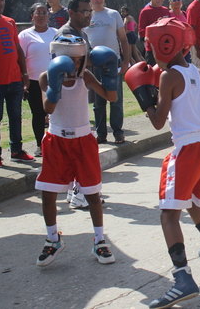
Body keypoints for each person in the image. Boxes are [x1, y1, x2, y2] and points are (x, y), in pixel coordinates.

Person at [124, 17, 200, 308]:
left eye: (153, 46)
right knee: (192, 200)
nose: (152, 52)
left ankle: (182, 278)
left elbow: (157, 123)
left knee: (169, 213)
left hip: (187, 148)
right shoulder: (197, 71)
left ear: (163, 45)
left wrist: (145, 98)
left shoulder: (168, 77)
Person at [34, 34, 118, 267]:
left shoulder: (86, 76)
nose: (76, 64)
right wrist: (55, 86)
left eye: (80, 59)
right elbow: (48, 108)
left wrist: (111, 74)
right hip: (56, 140)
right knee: (48, 193)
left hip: (83, 140)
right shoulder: (45, 77)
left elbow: (111, 97)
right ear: (58, 56)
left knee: (92, 194)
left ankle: (100, 240)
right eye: (72, 59)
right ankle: (52, 239)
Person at [0, 0, 34, 168]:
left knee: (16, 116)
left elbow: (18, 49)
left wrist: (24, 73)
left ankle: (17, 150)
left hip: (14, 79)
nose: (0, 3)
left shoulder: (10, 22)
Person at [55, 0, 94, 209]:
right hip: (66, 98)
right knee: (77, 148)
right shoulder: (66, 35)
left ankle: (76, 192)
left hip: (78, 95)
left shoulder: (82, 33)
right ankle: (79, 193)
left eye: (89, 11)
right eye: (84, 11)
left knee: (79, 146)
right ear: (71, 12)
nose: (88, 15)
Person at [84, 0, 131, 144]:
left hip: (114, 62)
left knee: (116, 100)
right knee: (98, 101)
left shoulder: (113, 14)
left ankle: (118, 132)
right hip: (95, 63)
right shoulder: (86, 17)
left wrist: (125, 61)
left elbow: (123, 39)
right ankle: (101, 134)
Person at [18, 3, 57, 157]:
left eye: (44, 12)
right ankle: (40, 145)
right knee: (38, 114)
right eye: (38, 13)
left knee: (55, 113)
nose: (41, 16)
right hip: (33, 81)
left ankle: (56, 143)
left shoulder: (55, 33)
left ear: (48, 16)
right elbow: (20, 59)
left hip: (53, 80)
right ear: (32, 16)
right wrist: (23, 79)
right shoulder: (25, 35)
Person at [138, 0, 170, 66]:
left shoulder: (166, 10)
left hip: (166, 47)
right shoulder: (145, 12)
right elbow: (141, 32)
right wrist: (156, 25)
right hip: (152, 49)